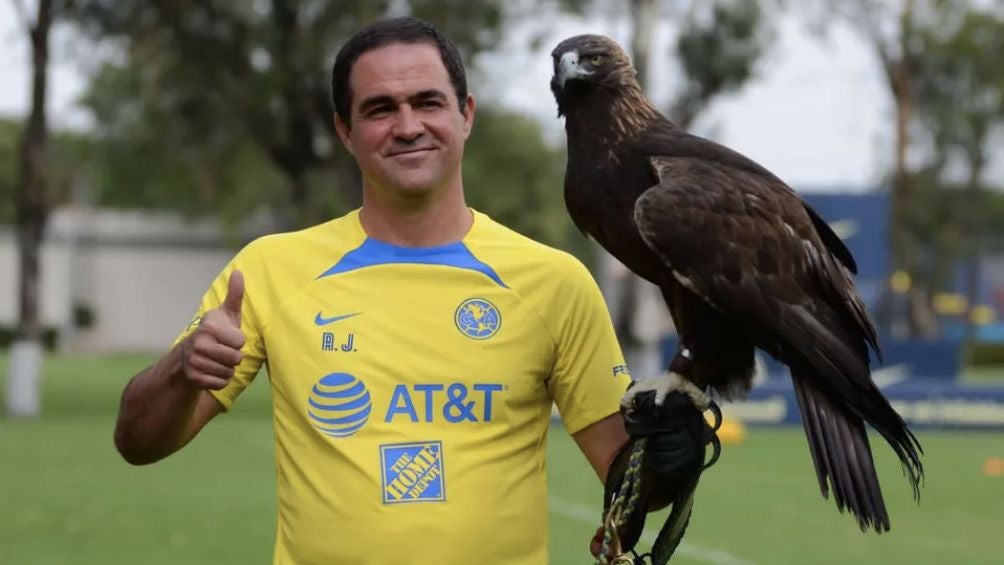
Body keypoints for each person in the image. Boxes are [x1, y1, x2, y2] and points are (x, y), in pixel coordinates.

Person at [113, 16, 633, 564]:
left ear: (466, 114)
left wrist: (673, 442)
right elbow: (138, 442)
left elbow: (628, 473)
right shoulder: (270, 270)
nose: (407, 126)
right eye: (380, 109)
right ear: (344, 131)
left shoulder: (554, 282)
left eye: (428, 103)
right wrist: (181, 368)